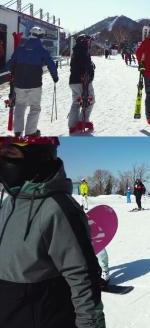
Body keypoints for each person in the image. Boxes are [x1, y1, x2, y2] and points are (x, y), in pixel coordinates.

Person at [0, 137, 106, 328]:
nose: (3, 161)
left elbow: (84, 281)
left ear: (39, 156)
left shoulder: (59, 209)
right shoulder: (9, 203)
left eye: (10, 154)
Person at [5, 26, 59, 137]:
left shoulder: (20, 49)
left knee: (20, 106)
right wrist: (55, 77)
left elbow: (9, 66)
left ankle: (18, 132)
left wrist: (17, 68)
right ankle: (30, 133)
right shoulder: (41, 50)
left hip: (19, 84)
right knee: (35, 107)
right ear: (40, 37)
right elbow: (51, 64)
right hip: (35, 84)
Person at [68, 34, 96, 134]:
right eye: (88, 41)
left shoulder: (75, 51)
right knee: (90, 100)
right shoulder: (83, 51)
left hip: (73, 81)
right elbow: (87, 66)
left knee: (76, 102)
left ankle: (72, 126)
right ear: (84, 41)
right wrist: (91, 75)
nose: (89, 43)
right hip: (83, 81)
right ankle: (83, 122)